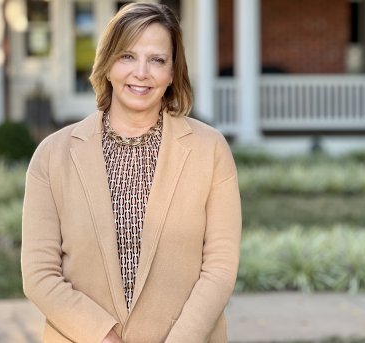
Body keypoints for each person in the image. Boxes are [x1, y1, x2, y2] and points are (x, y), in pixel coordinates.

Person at [21, 3, 242, 342]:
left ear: (172, 73)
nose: (142, 72)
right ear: (107, 65)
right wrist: (103, 337)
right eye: (127, 56)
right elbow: (39, 274)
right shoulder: (52, 156)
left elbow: (220, 268)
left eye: (157, 60)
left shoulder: (210, 150)